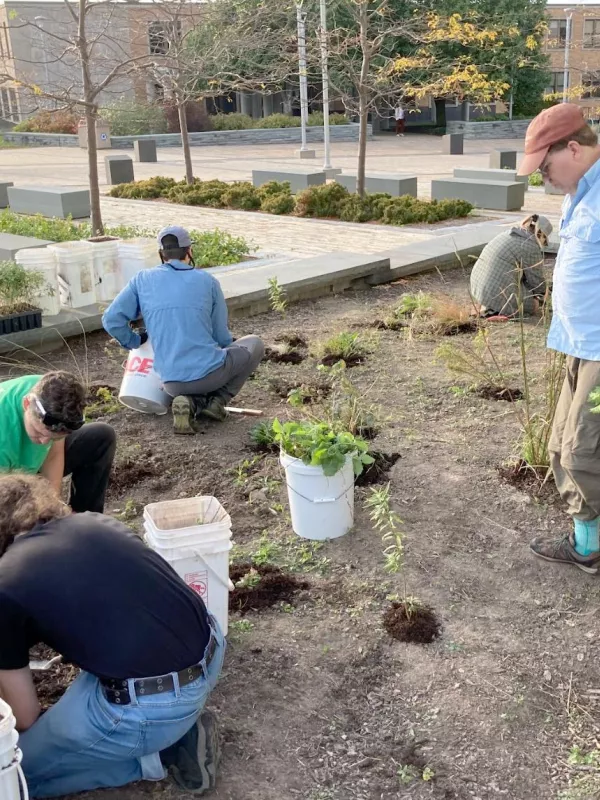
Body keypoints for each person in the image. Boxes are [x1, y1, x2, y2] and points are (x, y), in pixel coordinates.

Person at [0, 472, 226, 798]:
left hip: (156, 702)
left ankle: (162, 755)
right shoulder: (93, 522)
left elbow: (24, 717)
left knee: (14, 773)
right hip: (210, 648)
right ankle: (169, 734)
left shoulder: (5, 584)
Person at [517, 103, 600, 573]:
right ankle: (587, 545)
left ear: (573, 148)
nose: (542, 177)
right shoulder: (580, 194)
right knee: (560, 450)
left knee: (583, 453)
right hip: (579, 342)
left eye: (545, 167)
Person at [102, 226, 265, 434]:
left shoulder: (142, 280)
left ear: (162, 254)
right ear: (189, 251)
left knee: (191, 378)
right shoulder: (208, 281)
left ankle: (190, 402)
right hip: (210, 375)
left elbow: (110, 319)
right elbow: (221, 337)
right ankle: (217, 402)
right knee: (254, 344)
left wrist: (134, 341)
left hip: (169, 383)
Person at [0, 370, 115, 513]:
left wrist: (54, 505)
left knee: (100, 436)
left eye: (54, 437)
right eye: (38, 432)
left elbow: (53, 455)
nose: (43, 442)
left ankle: (85, 519)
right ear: (26, 404)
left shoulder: (50, 395)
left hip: (25, 468)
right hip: (5, 483)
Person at [470, 214, 552, 319]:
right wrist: (550, 295)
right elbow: (537, 284)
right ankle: (497, 310)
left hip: (477, 287)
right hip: (495, 292)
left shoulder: (510, 233)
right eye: (545, 240)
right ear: (540, 234)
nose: (543, 244)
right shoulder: (530, 245)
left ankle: (489, 306)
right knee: (534, 305)